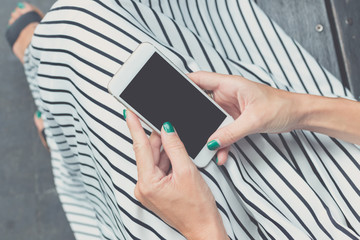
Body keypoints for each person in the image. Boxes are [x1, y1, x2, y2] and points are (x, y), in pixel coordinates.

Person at [6, 0, 360, 239]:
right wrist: (298, 109)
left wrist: (203, 227)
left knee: (83, 41)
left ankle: (52, 102)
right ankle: (54, 105)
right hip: (338, 163)